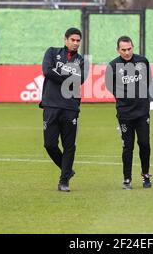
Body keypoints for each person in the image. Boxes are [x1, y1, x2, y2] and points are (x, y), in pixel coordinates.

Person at [40, 27, 87, 192]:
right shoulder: (52, 52)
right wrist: (67, 76)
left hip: (70, 107)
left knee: (69, 146)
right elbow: (47, 71)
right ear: (65, 39)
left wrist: (58, 72)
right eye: (72, 40)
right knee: (49, 144)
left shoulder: (82, 61)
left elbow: (78, 80)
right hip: (51, 105)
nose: (75, 43)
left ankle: (64, 181)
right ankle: (67, 170)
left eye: (78, 41)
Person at [105, 36, 152, 190]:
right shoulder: (113, 66)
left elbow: (148, 81)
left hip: (142, 111)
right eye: (123, 50)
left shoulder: (142, 61)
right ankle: (127, 179)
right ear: (118, 50)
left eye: (129, 49)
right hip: (124, 113)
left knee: (144, 144)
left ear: (133, 47)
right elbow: (110, 87)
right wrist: (124, 98)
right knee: (128, 146)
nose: (127, 52)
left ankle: (145, 175)